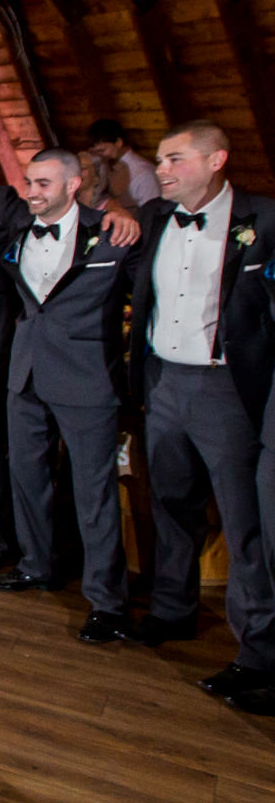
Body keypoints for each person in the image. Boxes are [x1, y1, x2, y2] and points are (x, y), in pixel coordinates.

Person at [127, 121, 275, 711]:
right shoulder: (157, 218)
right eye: (160, 159)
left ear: (216, 160)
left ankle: (258, 652)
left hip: (226, 389)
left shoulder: (264, 221)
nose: (161, 169)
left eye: (174, 158)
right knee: (170, 503)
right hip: (163, 380)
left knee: (245, 524)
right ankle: (172, 609)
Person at [0, 149, 141, 646]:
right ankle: (36, 565)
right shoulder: (17, 232)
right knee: (27, 477)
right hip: (25, 374)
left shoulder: (114, 232)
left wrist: (126, 213)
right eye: (29, 182)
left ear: (73, 185)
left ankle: (107, 602)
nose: (33, 192)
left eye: (44, 183)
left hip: (88, 379)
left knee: (94, 495)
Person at [88, 118, 160, 210]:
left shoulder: (142, 173)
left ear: (118, 143)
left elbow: (152, 212)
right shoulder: (104, 167)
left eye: (102, 150)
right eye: (95, 152)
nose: (99, 155)